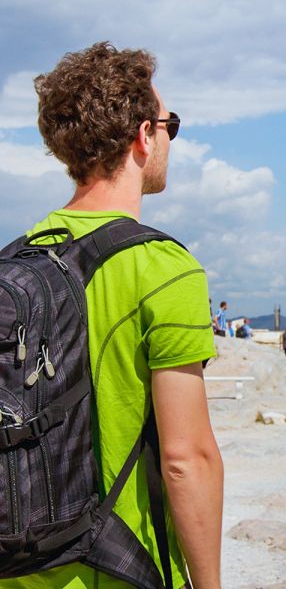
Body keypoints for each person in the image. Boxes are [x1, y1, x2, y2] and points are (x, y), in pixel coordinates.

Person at [13, 43, 222, 588]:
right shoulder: (165, 268)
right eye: (168, 124)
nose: (169, 139)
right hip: (118, 568)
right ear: (142, 135)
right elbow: (186, 459)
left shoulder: (16, 259)